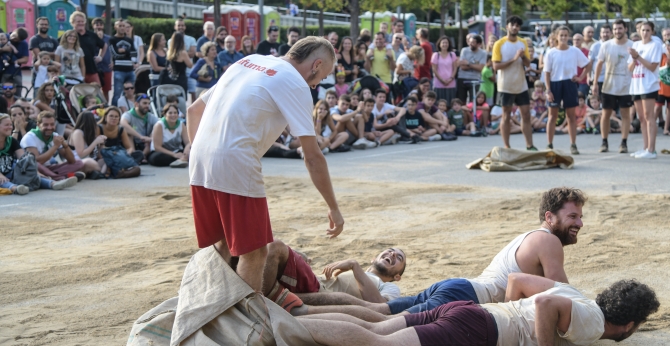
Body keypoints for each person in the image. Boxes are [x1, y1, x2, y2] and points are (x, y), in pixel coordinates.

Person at [187, 37, 345, 292]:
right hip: (236, 159)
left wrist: (202, 154)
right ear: (316, 65)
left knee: (223, 243)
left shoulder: (247, 61)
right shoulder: (296, 83)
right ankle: (246, 319)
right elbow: (313, 156)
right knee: (255, 251)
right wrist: (334, 208)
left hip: (200, 156)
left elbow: (194, 110)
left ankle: (209, 300)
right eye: (322, 77)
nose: (317, 84)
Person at [297, 187, 584, 321]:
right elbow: (563, 294)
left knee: (377, 312)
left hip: (458, 288)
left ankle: (300, 304)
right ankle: (302, 311)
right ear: (550, 216)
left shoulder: (532, 237)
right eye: (572, 216)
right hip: (463, 295)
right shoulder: (548, 242)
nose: (579, 224)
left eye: (580, 217)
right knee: (380, 319)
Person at [298, 273, 660, 346]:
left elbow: (519, 280)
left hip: (473, 312)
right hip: (477, 331)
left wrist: (508, 314)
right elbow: (547, 304)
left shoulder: (579, 295)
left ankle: (298, 311)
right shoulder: (593, 323)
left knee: (376, 326)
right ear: (629, 324)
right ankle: (285, 326)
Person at [262, 242, 405, 312]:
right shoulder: (350, 270)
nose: (392, 254)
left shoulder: (389, 287)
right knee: (262, 247)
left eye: (399, 257)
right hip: (313, 284)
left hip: (320, 293)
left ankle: (260, 302)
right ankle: (272, 296)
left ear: (397, 276)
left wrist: (354, 265)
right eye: (390, 251)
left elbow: (380, 307)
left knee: (276, 247)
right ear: (373, 259)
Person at [1, 113, 76, 194]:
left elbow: (24, 159)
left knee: (32, 173)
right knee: (2, 179)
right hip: (2, 176)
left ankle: (53, 184)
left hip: (12, 172)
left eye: (10, 124)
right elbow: (38, 160)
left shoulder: (11, 141)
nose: (10, 127)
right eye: (6, 125)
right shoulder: (30, 136)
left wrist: (35, 172)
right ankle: (15, 188)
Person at [543, 26, 590, 155]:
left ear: (568, 36)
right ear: (557, 37)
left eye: (565, 35)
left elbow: (587, 64)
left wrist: (580, 77)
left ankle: (573, 144)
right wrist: (548, 90)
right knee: (552, 116)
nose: (563, 38)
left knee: (571, 116)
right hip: (555, 84)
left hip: (570, 83)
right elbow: (547, 73)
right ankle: (549, 144)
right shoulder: (551, 52)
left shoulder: (574, 51)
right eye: (561, 35)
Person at [493, 16, 536, 150]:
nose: (515, 27)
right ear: (507, 27)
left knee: (526, 114)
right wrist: (514, 59)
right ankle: (507, 146)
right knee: (506, 115)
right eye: (512, 25)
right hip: (505, 85)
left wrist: (523, 56)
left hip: (521, 84)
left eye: (517, 25)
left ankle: (530, 145)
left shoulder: (523, 42)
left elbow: (528, 64)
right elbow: (496, 66)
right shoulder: (499, 43)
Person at [592, 20, 633, 154]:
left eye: (620, 29)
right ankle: (604, 142)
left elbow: (634, 65)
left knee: (625, 115)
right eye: (615, 29)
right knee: (606, 114)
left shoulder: (632, 45)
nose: (617, 31)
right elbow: (599, 64)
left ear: (625, 29)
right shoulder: (606, 45)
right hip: (608, 86)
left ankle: (624, 143)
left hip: (625, 86)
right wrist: (595, 83)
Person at [628, 21, 663, 159]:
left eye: (648, 30)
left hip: (648, 84)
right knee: (641, 117)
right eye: (643, 30)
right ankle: (645, 147)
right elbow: (630, 68)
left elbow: (652, 67)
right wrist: (633, 59)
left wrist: (638, 57)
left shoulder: (655, 45)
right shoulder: (635, 45)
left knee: (649, 116)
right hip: (636, 84)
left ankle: (652, 150)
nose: (645, 33)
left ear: (652, 31)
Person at [21, 110, 84, 182]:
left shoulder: (55, 136)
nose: (49, 127)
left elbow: (72, 161)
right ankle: (60, 178)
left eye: (52, 124)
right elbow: (37, 161)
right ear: (38, 125)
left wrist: (65, 146)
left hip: (48, 168)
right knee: (35, 163)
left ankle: (52, 177)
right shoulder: (29, 137)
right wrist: (55, 147)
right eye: (46, 125)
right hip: (32, 168)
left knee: (79, 163)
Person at [70, 11, 106, 86]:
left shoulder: (92, 35)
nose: (80, 23)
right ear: (73, 22)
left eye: (82, 21)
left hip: (92, 70)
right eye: (78, 21)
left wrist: (100, 57)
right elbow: (59, 46)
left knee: (96, 93)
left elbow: (104, 45)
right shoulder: (69, 35)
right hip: (75, 72)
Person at [67, 111, 106, 179]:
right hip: (78, 162)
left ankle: (99, 173)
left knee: (107, 159)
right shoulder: (78, 132)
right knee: (89, 162)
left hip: (92, 160)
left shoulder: (89, 133)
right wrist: (95, 142)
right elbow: (81, 154)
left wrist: (101, 144)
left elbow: (98, 155)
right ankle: (102, 173)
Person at [120, 93, 157, 160]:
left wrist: (150, 138)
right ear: (136, 104)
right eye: (144, 103)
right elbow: (123, 124)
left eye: (148, 103)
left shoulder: (150, 116)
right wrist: (140, 136)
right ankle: (134, 155)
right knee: (128, 133)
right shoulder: (128, 114)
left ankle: (142, 156)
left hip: (145, 145)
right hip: (133, 143)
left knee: (155, 129)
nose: (147, 106)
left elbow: (160, 126)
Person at [109, 19, 137, 107]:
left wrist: (124, 51)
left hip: (130, 70)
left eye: (123, 26)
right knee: (117, 93)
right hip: (119, 70)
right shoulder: (112, 39)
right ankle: (113, 110)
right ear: (115, 27)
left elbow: (134, 53)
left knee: (131, 93)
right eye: (119, 26)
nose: (122, 28)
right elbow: (115, 54)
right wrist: (127, 52)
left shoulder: (129, 39)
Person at [30, 17, 58, 93]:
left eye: (46, 24)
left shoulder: (53, 40)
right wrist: (50, 55)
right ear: (37, 25)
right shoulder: (34, 39)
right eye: (42, 24)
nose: (44, 26)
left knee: (51, 95)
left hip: (51, 71)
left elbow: (57, 55)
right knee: (38, 94)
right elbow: (38, 55)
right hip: (38, 71)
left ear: (48, 26)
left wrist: (44, 54)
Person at [457, 34, 487, 104]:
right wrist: (475, 65)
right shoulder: (464, 50)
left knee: (473, 101)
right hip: (462, 77)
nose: (470, 44)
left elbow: (481, 68)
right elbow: (462, 66)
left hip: (475, 79)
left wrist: (468, 63)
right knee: (461, 100)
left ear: (479, 44)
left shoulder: (483, 53)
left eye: (473, 42)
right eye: (470, 42)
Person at [172, 18, 198, 99]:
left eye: (182, 25)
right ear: (175, 27)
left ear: (185, 27)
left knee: (193, 91)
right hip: (180, 75)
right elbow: (189, 61)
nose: (181, 27)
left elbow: (192, 54)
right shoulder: (171, 41)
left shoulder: (191, 39)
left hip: (183, 73)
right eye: (178, 25)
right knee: (181, 96)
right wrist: (185, 54)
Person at [0, 28, 29, 96]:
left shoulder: (23, 44)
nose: (13, 38)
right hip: (2, 71)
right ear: (13, 31)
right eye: (13, 35)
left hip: (15, 72)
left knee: (17, 92)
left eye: (16, 39)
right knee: (2, 93)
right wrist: (3, 49)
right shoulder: (3, 36)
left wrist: (13, 60)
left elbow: (25, 59)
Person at [587, 24, 612, 97]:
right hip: (598, 79)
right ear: (600, 34)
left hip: (611, 79)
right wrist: (588, 76)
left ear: (611, 33)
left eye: (607, 32)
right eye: (603, 32)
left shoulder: (614, 45)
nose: (605, 34)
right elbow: (590, 62)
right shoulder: (595, 46)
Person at [431, 36, 458, 103]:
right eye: (443, 43)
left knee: (450, 103)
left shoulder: (452, 54)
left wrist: (451, 79)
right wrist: (442, 80)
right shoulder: (436, 55)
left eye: (446, 43)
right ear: (439, 44)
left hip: (451, 84)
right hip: (438, 84)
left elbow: (455, 68)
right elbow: (434, 69)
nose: (445, 44)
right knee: (439, 103)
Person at [91, 18, 113, 98]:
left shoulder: (109, 38)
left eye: (101, 25)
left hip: (106, 67)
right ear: (93, 26)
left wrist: (113, 61)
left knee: (106, 90)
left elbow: (113, 51)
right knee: (95, 89)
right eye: (97, 25)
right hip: (94, 67)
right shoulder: (90, 37)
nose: (99, 27)